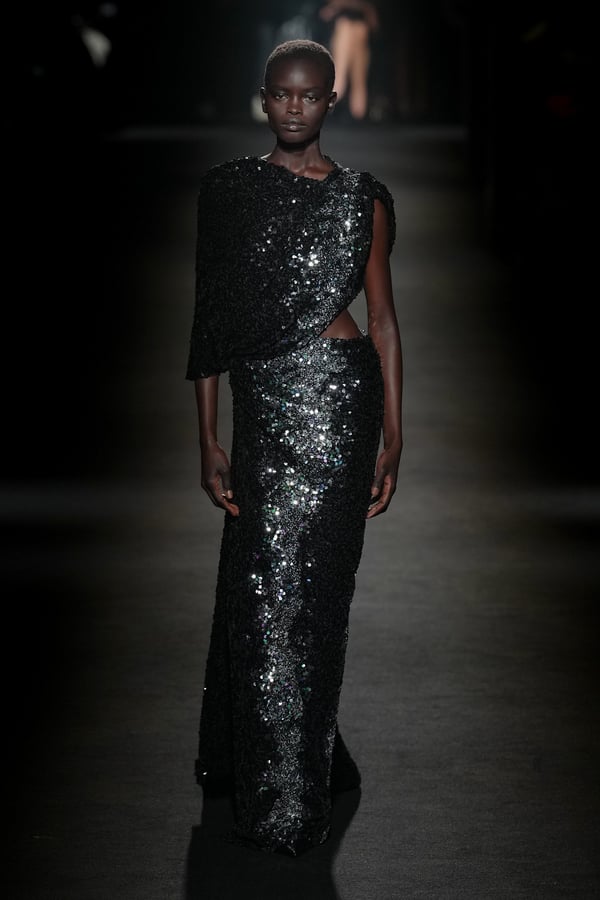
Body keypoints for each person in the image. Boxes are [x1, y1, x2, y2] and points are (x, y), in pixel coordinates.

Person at [186, 38, 403, 856]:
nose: (294, 107)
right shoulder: (228, 192)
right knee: (260, 588)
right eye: (282, 93)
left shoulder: (361, 199)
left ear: (331, 101)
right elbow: (210, 318)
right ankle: (282, 763)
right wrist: (208, 437)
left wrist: (395, 434)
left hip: (342, 405)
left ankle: (290, 794)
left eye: (310, 95)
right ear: (264, 97)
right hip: (263, 406)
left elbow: (383, 320)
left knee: (313, 599)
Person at [318, 0, 379, 120]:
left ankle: (355, 112)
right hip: (350, 25)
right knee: (346, 75)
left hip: (353, 26)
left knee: (351, 75)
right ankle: (352, 112)